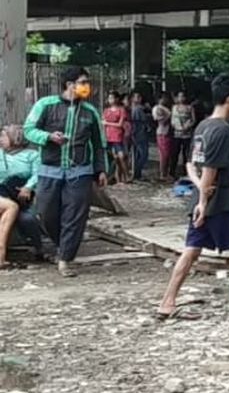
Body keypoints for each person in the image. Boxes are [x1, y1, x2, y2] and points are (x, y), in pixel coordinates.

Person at [157, 74, 229, 320]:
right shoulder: (222, 130)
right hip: (219, 202)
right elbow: (211, 167)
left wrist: (199, 188)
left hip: (201, 199)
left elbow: (191, 164)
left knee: (191, 250)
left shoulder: (202, 126)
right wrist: (204, 199)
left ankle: (167, 302)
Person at [24, 66, 108, 277]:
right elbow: (28, 130)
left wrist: (101, 170)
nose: (87, 87)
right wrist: (48, 137)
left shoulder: (90, 111)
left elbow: (99, 144)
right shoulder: (45, 105)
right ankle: (62, 244)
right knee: (46, 213)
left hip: (80, 171)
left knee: (76, 216)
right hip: (49, 169)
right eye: (83, 82)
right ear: (69, 85)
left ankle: (65, 258)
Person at [0, 125, 44, 266]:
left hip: (21, 197)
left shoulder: (32, 155)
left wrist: (28, 186)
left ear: (15, 138)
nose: (1, 139)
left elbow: (38, 173)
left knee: (28, 219)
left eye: (4, 136)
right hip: (2, 194)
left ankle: (38, 248)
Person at [103, 92, 131, 184]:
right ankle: (113, 177)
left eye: (112, 98)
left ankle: (125, 175)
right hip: (108, 136)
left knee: (121, 156)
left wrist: (107, 123)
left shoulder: (121, 110)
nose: (110, 100)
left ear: (117, 99)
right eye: (109, 98)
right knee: (112, 158)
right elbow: (103, 123)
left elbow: (120, 124)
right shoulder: (106, 110)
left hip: (118, 136)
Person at [170, 91, 195, 177]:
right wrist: (177, 127)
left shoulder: (190, 108)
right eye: (179, 96)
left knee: (186, 154)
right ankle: (172, 172)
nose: (181, 98)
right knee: (175, 153)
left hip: (187, 134)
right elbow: (172, 120)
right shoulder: (174, 107)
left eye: (183, 96)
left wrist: (187, 127)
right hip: (177, 133)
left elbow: (193, 120)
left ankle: (186, 172)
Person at [129, 92, 152, 181]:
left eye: (140, 97)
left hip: (140, 133)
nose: (139, 99)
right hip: (139, 133)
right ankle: (137, 172)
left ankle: (137, 173)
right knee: (143, 154)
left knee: (139, 154)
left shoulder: (139, 108)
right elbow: (139, 121)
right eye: (137, 97)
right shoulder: (137, 109)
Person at [152, 93, 173, 180]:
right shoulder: (157, 108)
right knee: (164, 154)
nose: (166, 100)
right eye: (164, 98)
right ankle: (162, 173)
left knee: (167, 154)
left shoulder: (165, 108)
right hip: (162, 132)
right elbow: (159, 120)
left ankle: (165, 172)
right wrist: (168, 116)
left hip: (167, 132)